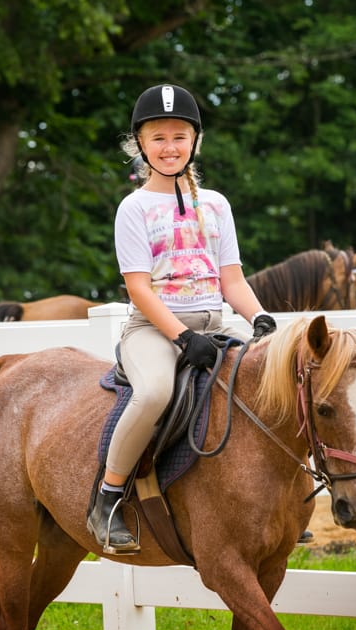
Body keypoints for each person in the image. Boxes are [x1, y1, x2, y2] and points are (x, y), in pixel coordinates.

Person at [87, 83, 277, 553]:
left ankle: (273, 499)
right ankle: (108, 496)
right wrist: (179, 336)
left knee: (273, 379)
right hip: (153, 328)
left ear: (194, 141)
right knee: (154, 392)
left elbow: (232, 280)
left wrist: (260, 318)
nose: (169, 147)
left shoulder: (216, 204)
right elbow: (138, 289)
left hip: (214, 323)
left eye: (178, 137)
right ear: (139, 146)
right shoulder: (133, 208)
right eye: (158, 138)